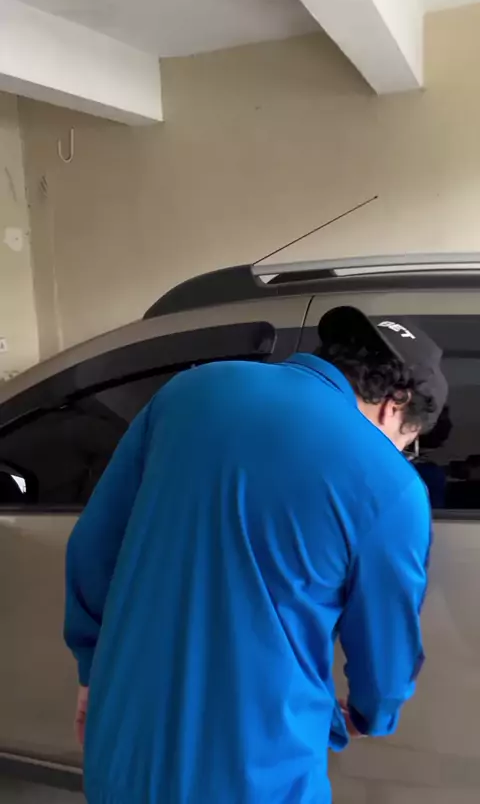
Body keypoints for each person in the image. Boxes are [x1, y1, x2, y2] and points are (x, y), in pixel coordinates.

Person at [64, 306, 448, 804]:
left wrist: (91, 672)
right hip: (258, 772)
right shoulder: (391, 484)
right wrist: (371, 713)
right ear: (396, 406)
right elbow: (385, 651)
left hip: (122, 747)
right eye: (407, 443)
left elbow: (95, 546)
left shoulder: (188, 391)